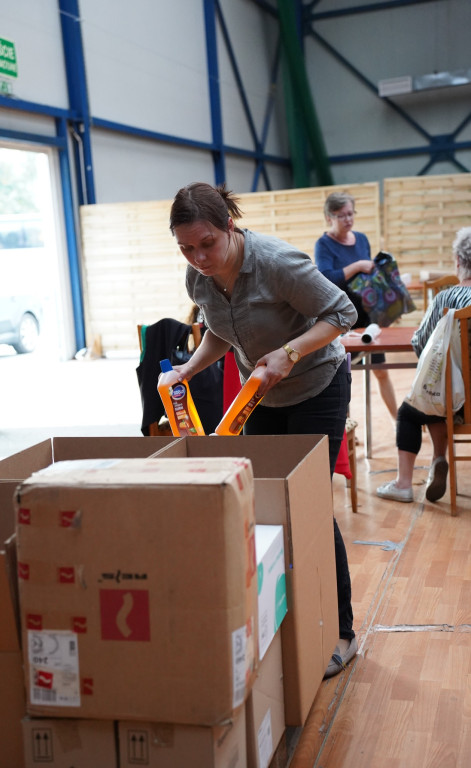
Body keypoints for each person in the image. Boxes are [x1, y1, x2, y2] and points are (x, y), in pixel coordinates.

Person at [168, 181, 359, 678]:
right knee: (267, 500)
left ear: (229, 227)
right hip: (264, 394)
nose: (199, 258)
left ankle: (342, 631)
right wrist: (189, 367)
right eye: (187, 248)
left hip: (318, 384)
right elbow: (219, 327)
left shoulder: (277, 262)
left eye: (207, 243)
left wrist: (291, 351)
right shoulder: (199, 279)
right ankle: (285, 611)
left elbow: (343, 312)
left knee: (310, 504)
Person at [376, 226, 471, 503]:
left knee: (418, 405)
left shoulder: (446, 298)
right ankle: (437, 460)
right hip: (462, 402)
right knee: (439, 394)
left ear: (457, 263)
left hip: (456, 400)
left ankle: (404, 484)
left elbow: (423, 344)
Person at [314, 192, 398, 422]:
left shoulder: (361, 239)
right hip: (341, 319)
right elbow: (326, 279)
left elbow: (368, 281)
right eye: (342, 215)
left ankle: (397, 421)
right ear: (329, 217)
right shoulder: (323, 244)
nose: (348, 219)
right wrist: (358, 265)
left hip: (368, 316)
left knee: (381, 371)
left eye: (351, 214)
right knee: (342, 375)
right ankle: (345, 426)